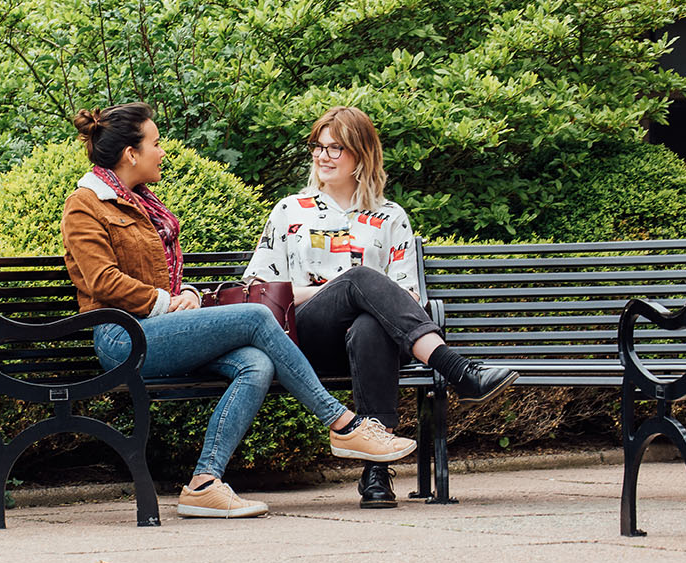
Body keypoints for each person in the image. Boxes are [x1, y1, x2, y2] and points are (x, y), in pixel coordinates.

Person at [63, 102, 416, 519]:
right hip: (124, 337)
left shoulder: (143, 203)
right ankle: (343, 424)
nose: (163, 151)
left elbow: (162, 277)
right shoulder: (86, 204)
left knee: (256, 362)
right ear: (131, 154)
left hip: (163, 328)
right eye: (156, 143)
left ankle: (204, 483)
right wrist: (165, 303)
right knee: (255, 316)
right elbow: (102, 280)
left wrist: (187, 294)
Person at [242, 105, 519, 510]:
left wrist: (359, 296)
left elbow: (407, 297)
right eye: (318, 147)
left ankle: (375, 472)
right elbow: (259, 288)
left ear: (361, 154)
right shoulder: (291, 210)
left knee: (371, 324)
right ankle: (457, 369)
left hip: (368, 343)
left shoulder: (389, 216)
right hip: (305, 337)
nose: (322, 156)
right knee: (360, 280)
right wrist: (336, 290)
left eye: (335, 148)